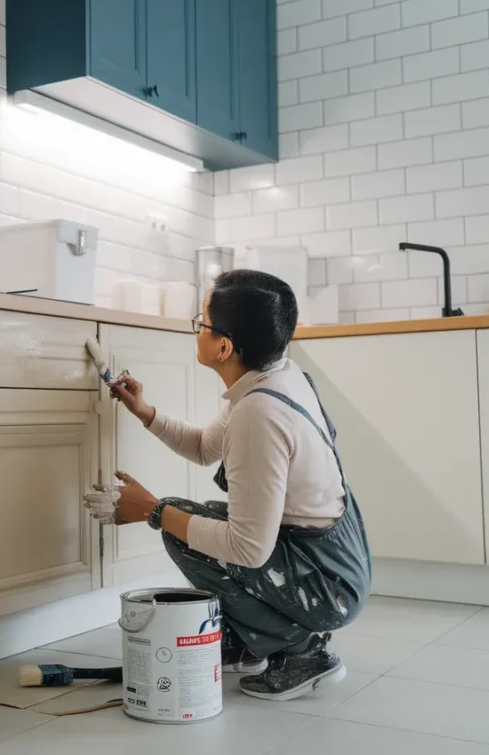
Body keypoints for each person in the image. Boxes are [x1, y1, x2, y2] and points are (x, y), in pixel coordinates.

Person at [108, 270, 371, 702]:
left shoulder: (260, 412)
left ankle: (302, 652)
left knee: (180, 525)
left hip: (326, 586)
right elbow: (204, 447)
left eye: (203, 322)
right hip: (331, 560)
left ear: (224, 347)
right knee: (184, 518)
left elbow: (250, 549)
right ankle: (250, 642)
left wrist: (153, 511)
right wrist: (145, 412)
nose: (197, 330)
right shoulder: (275, 377)